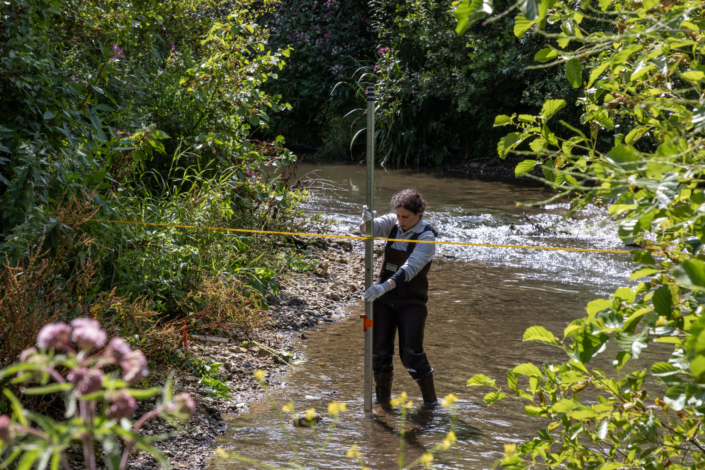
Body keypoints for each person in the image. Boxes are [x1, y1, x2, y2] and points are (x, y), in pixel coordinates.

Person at [360, 189, 438, 408]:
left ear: (419, 212)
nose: (401, 221)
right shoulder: (393, 221)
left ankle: (431, 404)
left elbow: (410, 268)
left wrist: (384, 286)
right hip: (383, 302)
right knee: (379, 352)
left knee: (411, 353)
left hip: (411, 303)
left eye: (406, 217)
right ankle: (383, 404)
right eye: (399, 216)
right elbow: (368, 230)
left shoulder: (427, 236)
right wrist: (365, 221)